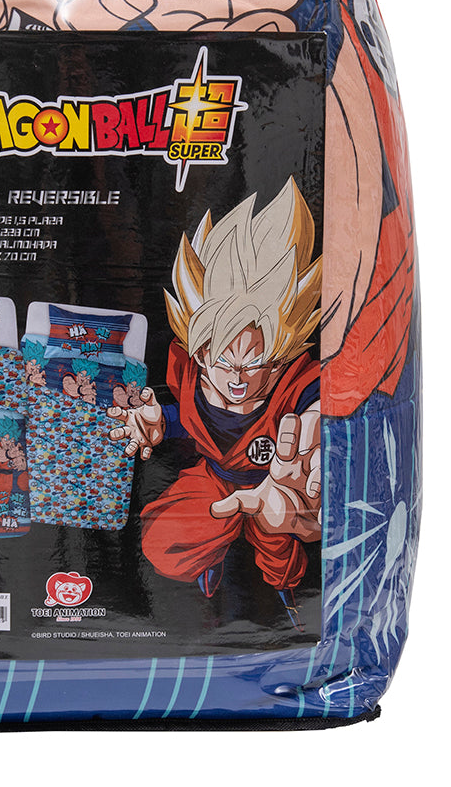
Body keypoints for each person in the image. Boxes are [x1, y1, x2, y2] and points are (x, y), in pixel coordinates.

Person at [107, 179, 321, 630]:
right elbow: (189, 419)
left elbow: (315, 399)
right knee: (164, 540)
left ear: (278, 357)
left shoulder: (293, 383)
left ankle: (288, 594)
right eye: (225, 360)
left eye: (255, 362)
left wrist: (318, 426)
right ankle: (216, 557)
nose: (238, 377)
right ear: (202, 352)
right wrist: (160, 423)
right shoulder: (191, 375)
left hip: (274, 487)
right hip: (215, 479)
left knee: (278, 549)